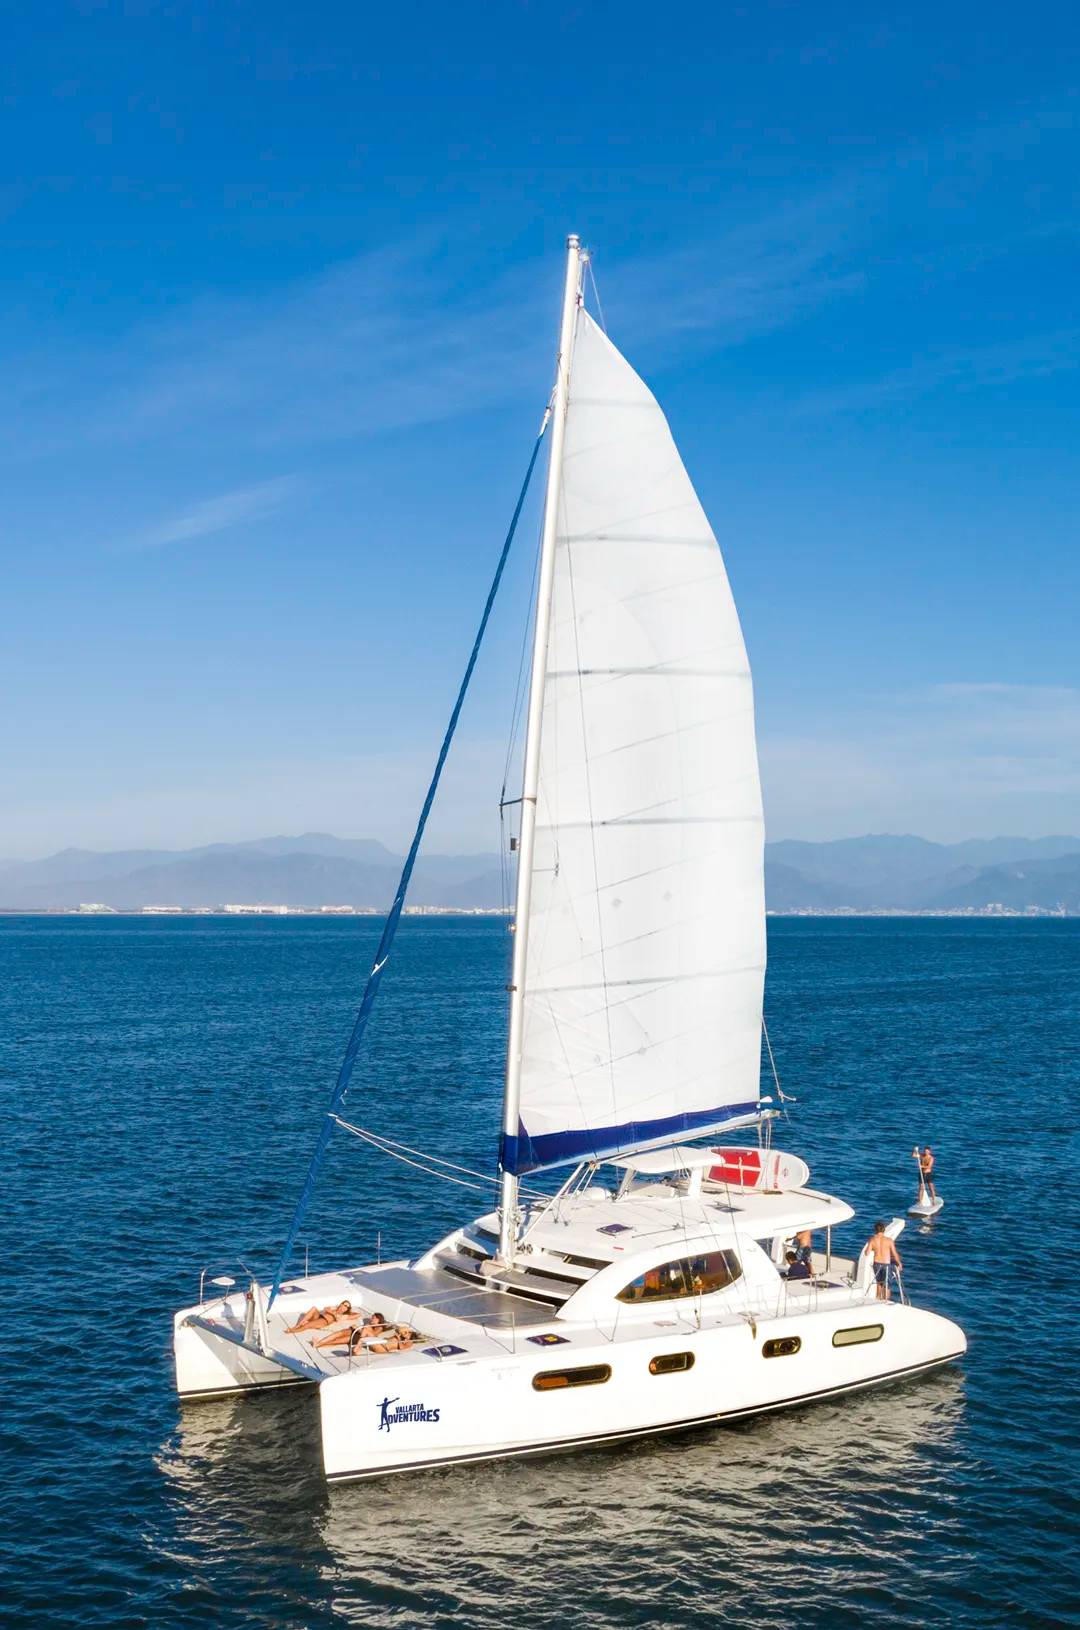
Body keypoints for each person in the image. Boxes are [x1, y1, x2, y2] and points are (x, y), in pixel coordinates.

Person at [864, 1220, 902, 1301]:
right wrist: (899, 1263)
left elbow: (867, 1253)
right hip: (886, 1265)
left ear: (875, 1230)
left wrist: (874, 1249)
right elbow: (894, 1253)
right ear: (884, 1229)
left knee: (879, 1283)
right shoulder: (889, 1240)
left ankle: (878, 1299)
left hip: (876, 1264)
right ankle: (886, 1301)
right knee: (887, 1285)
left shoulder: (872, 1240)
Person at [285, 1299, 354, 1333]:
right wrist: (334, 1313)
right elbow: (325, 1308)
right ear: (341, 1304)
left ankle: (293, 1330)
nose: (344, 1306)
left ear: (347, 1309)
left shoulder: (343, 1315)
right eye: (343, 1304)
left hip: (324, 1321)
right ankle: (297, 1325)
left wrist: (349, 1311)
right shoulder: (334, 1308)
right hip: (319, 1316)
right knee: (314, 1308)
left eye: (346, 1306)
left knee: (307, 1325)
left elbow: (357, 1315)